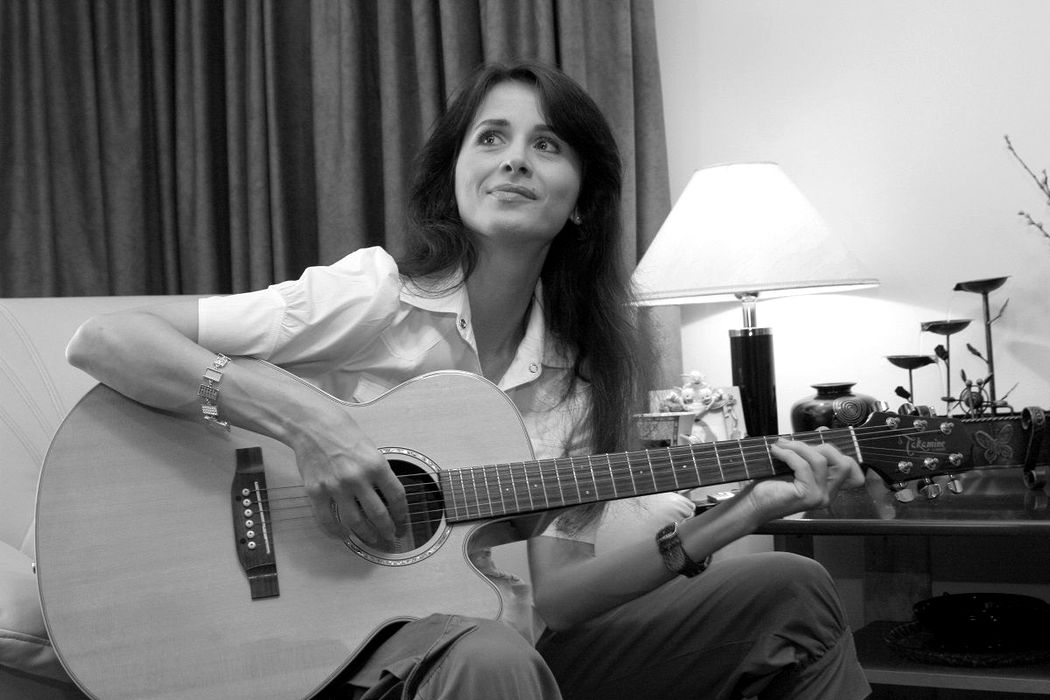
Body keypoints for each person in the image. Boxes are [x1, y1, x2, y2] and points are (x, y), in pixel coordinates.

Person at [66, 61, 871, 700]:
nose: (515, 158)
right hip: (333, 643)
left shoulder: (580, 379)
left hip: (469, 642)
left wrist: (742, 513)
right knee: (492, 655)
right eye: (491, 138)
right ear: (454, 175)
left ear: (582, 202)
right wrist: (310, 425)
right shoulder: (375, 297)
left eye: (547, 145)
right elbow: (108, 338)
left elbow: (562, 599)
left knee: (792, 586)